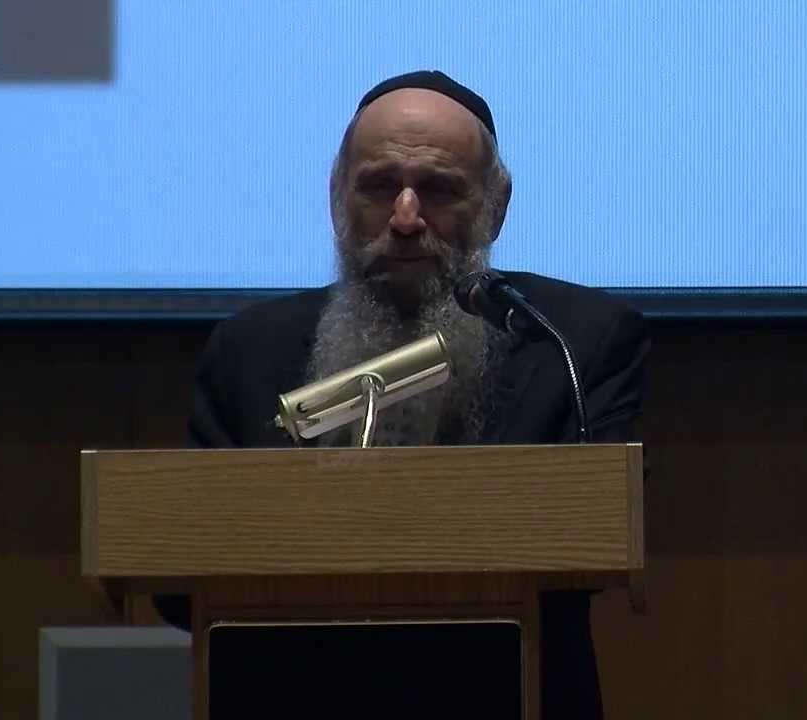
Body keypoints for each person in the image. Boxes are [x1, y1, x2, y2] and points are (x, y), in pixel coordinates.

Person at [159, 70, 651, 719]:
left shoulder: (570, 339)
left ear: (497, 205)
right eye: (378, 186)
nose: (406, 218)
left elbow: (595, 541)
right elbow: (180, 582)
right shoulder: (250, 350)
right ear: (337, 197)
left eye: (439, 189)